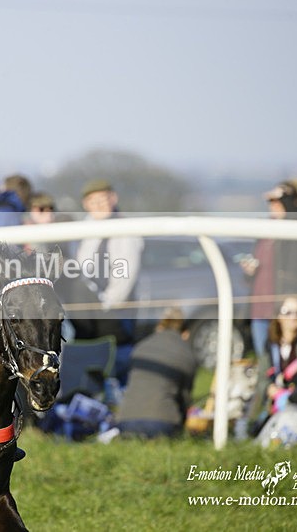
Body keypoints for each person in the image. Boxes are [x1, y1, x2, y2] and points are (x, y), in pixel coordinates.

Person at [241, 179, 297, 360]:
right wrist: (249, 271)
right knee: (265, 360)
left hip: (283, 307)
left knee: (284, 358)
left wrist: (290, 198)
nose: (272, 206)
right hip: (259, 308)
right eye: (270, 202)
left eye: (276, 201)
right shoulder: (265, 229)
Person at [74, 178, 143, 344]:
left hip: (113, 311)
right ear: (86, 204)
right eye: (93, 201)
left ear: (113, 198)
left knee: (116, 356)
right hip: (87, 309)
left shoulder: (124, 229)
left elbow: (125, 274)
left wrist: (107, 305)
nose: (98, 205)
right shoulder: (81, 229)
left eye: (102, 199)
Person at [113, 307, 198, 438]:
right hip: (162, 424)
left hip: (124, 422)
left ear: (159, 326)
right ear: (185, 333)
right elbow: (185, 399)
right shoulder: (186, 353)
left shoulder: (140, 347)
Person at [246, 297, 297, 430]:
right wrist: (269, 389)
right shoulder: (270, 344)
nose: (294, 316)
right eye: (288, 312)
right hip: (275, 402)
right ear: (278, 316)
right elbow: (262, 378)